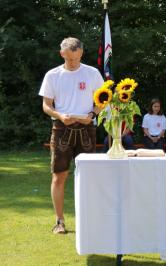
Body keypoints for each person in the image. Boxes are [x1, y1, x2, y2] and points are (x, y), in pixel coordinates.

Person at [38, 37, 104, 234]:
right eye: (69, 59)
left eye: (76, 59)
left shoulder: (92, 73)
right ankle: (60, 221)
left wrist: (92, 115)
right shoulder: (52, 75)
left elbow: (103, 100)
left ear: (81, 53)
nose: (73, 63)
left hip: (86, 129)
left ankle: (89, 220)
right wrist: (59, 115)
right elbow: (46, 105)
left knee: (89, 176)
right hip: (61, 129)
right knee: (59, 176)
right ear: (62, 54)